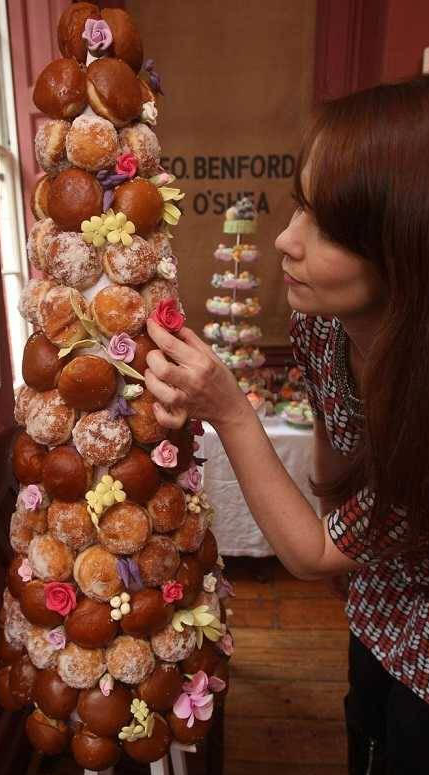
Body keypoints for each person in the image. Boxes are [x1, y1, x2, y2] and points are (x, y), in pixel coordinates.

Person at [144, 76, 429, 775]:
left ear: (406, 247)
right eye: (298, 205)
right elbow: (333, 447)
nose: (283, 241)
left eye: (326, 226)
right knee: (364, 727)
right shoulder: (320, 328)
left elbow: (310, 555)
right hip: (376, 603)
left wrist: (228, 408)